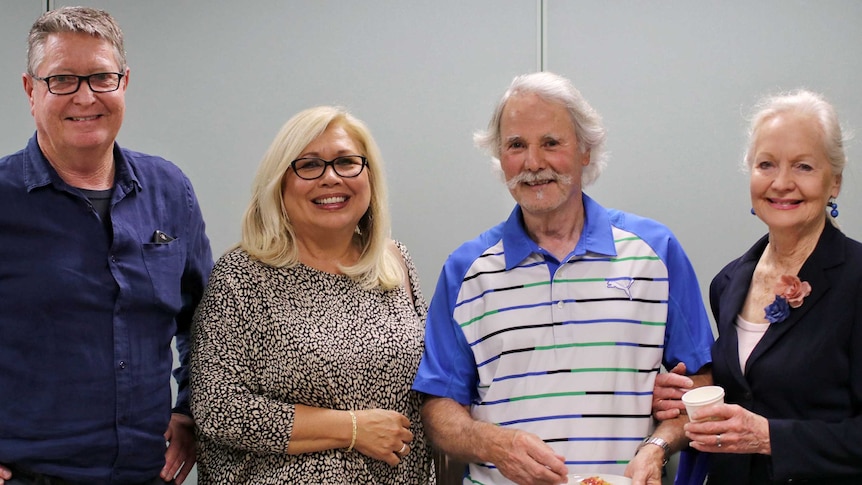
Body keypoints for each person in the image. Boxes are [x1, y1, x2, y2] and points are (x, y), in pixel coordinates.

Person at [412, 71, 714, 485]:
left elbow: (700, 385)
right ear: (500, 157)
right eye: (516, 145)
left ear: (585, 151)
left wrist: (657, 446)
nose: (533, 163)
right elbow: (439, 408)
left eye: (551, 143)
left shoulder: (655, 252)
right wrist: (493, 444)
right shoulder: (466, 269)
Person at [0, 6, 211, 485]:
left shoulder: (169, 189)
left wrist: (188, 411)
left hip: (147, 475)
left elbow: (205, 324)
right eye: (63, 80)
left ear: (124, 83)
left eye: (101, 77)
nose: (85, 96)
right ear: (31, 90)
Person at [189, 106, 435, 484]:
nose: (331, 178)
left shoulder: (393, 263)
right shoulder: (242, 276)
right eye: (309, 165)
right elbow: (217, 408)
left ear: (369, 175)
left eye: (346, 162)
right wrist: (351, 429)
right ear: (280, 183)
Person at [659, 90, 862, 485]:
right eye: (766, 164)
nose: (781, 183)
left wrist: (770, 438)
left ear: (834, 181)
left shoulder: (856, 279)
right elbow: (746, 394)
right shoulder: (728, 282)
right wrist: (682, 393)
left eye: (803, 166)